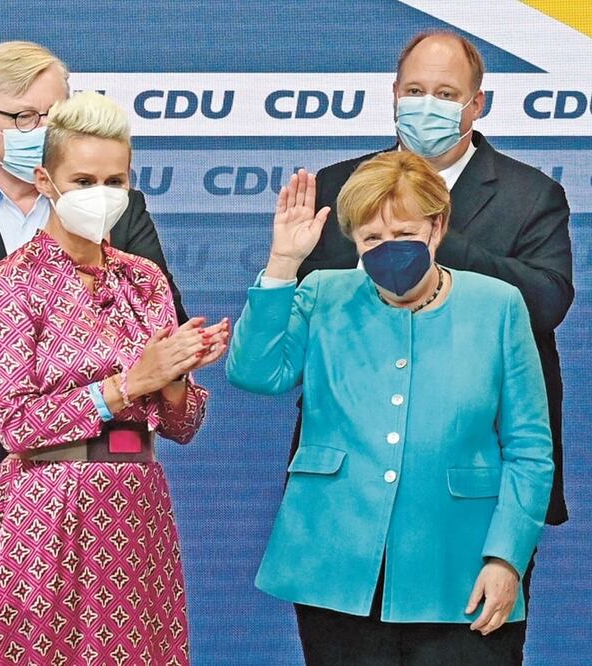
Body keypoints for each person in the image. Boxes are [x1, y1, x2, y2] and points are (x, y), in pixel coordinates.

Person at [0, 41, 187, 664]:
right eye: (26, 117)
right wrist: (29, 287)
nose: (44, 128)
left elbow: (160, 329)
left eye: (55, 112)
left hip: (112, 496)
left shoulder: (119, 213)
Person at [226, 152, 554, 664]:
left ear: (437, 227)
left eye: (404, 233)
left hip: (459, 564)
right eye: (372, 238)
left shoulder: (499, 304)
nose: (389, 250)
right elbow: (255, 373)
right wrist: (283, 265)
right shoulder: (322, 292)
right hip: (337, 563)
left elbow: (528, 449)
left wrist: (506, 558)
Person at [0, 91, 227, 665]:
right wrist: (130, 383)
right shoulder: (12, 283)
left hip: (137, 503)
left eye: (115, 181)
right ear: (45, 181)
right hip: (45, 508)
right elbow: (15, 425)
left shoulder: (145, 279)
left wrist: (176, 372)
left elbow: (182, 425)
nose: (101, 195)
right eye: (83, 181)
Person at [299, 30, 572, 542]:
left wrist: (429, 238)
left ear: (477, 104)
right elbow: (301, 320)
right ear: (394, 95)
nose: (427, 105)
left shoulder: (532, 194)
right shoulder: (337, 187)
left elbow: (547, 302)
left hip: (478, 473)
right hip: (350, 475)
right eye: (415, 91)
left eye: (446, 94)